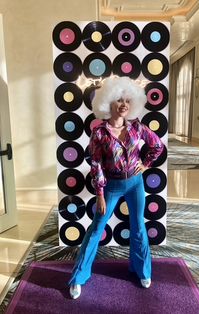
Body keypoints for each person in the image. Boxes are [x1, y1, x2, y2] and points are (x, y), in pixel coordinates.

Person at [69, 76, 164, 299]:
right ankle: (79, 277)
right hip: (111, 186)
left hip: (135, 184)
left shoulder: (138, 128)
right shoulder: (99, 133)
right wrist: (100, 194)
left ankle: (142, 271)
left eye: (127, 101)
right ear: (108, 103)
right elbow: (96, 164)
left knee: (138, 226)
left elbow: (157, 145)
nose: (123, 105)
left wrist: (146, 163)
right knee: (96, 229)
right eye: (119, 100)